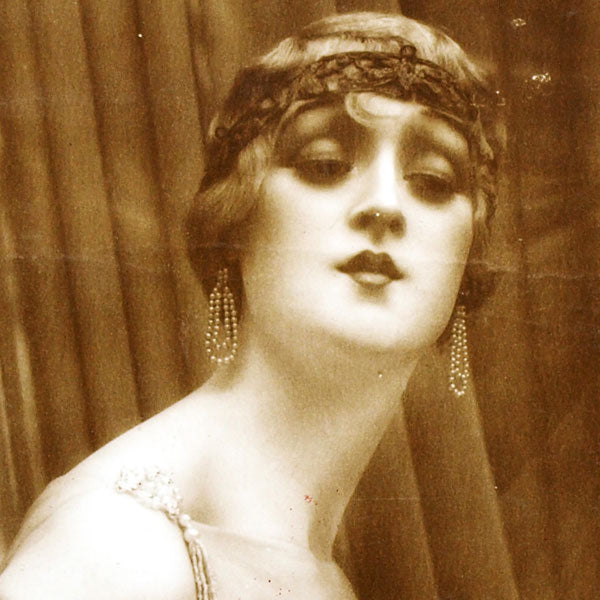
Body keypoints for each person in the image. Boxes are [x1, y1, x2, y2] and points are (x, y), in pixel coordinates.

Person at [0, 11, 500, 600]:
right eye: (324, 165)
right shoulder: (119, 544)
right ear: (235, 223)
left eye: (434, 181)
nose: (385, 205)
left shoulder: (314, 563)